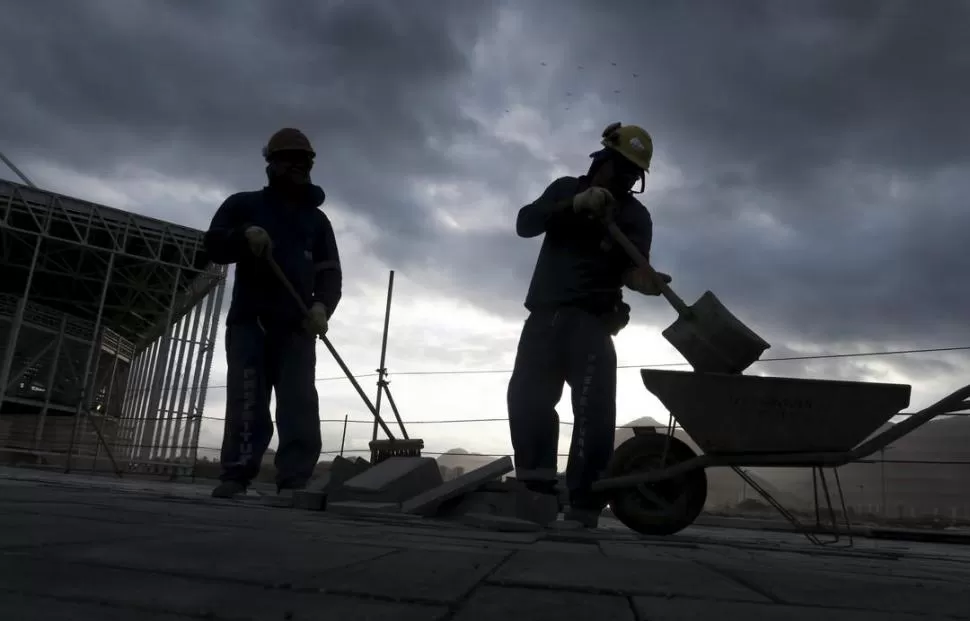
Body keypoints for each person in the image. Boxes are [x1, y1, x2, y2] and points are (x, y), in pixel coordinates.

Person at [507, 121, 671, 527]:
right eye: (623, 169)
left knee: (593, 413)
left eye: (636, 175)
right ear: (602, 159)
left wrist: (644, 281)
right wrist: (575, 205)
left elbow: (633, 269)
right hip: (544, 315)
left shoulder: (635, 215)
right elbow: (526, 223)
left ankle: (583, 504)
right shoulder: (565, 188)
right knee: (528, 401)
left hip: (592, 323)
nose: (629, 179)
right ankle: (537, 491)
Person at [203, 128, 342, 499]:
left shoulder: (317, 222)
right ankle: (236, 474)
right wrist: (244, 236)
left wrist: (321, 307)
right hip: (252, 321)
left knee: (299, 402)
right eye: (292, 160)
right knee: (247, 398)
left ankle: (294, 479)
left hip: (297, 326)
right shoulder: (243, 205)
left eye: (306, 161)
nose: (301, 167)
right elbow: (214, 245)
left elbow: (330, 273)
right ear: (273, 164)